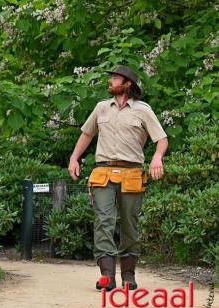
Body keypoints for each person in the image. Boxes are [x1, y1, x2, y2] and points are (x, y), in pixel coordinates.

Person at [68, 65, 168, 291]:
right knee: (104, 221)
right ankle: (107, 277)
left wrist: (157, 158)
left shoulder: (143, 110)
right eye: (111, 78)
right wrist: (74, 158)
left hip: (132, 172)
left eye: (115, 78)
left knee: (129, 225)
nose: (110, 82)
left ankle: (129, 275)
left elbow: (161, 139)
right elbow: (86, 134)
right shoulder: (101, 108)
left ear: (127, 84)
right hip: (102, 172)